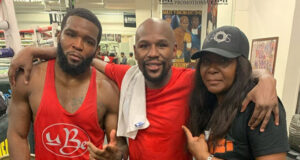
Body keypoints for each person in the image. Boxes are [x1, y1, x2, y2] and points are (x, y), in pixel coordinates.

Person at [9, 18, 279, 160]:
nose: (153, 54)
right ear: (135, 50)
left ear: (175, 50)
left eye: (161, 45)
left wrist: (265, 77)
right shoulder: (127, 76)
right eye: (144, 46)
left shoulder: (191, 80)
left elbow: (225, 72)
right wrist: (33, 49)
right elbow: (84, 55)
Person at [7, 8, 127, 160]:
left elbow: (119, 146)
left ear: (96, 51)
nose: (78, 45)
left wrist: (117, 155)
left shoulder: (108, 90)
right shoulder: (29, 79)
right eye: (70, 34)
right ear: (59, 36)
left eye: (88, 41)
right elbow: (17, 135)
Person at [182, 26, 289, 160]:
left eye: (223, 61)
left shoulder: (259, 105)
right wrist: (264, 75)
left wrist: (204, 157)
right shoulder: (209, 101)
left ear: (240, 66)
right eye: (206, 62)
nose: (211, 69)